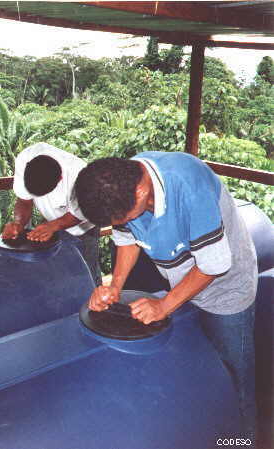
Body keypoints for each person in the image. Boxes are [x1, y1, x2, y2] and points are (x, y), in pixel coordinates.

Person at [75, 151, 258, 444]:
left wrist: (164, 305)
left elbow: (214, 264)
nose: (123, 223)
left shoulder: (189, 186)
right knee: (200, 369)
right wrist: (115, 287)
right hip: (181, 283)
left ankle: (244, 440)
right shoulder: (121, 184)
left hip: (227, 290)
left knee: (234, 377)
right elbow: (127, 239)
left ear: (141, 191)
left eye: (123, 218)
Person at [2, 142, 101, 286]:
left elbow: (80, 212)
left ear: (60, 178)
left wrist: (53, 226)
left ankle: (95, 304)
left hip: (83, 227)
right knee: (56, 271)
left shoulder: (79, 173)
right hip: (50, 222)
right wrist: (18, 223)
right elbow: (24, 201)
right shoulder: (24, 159)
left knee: (85, 274)